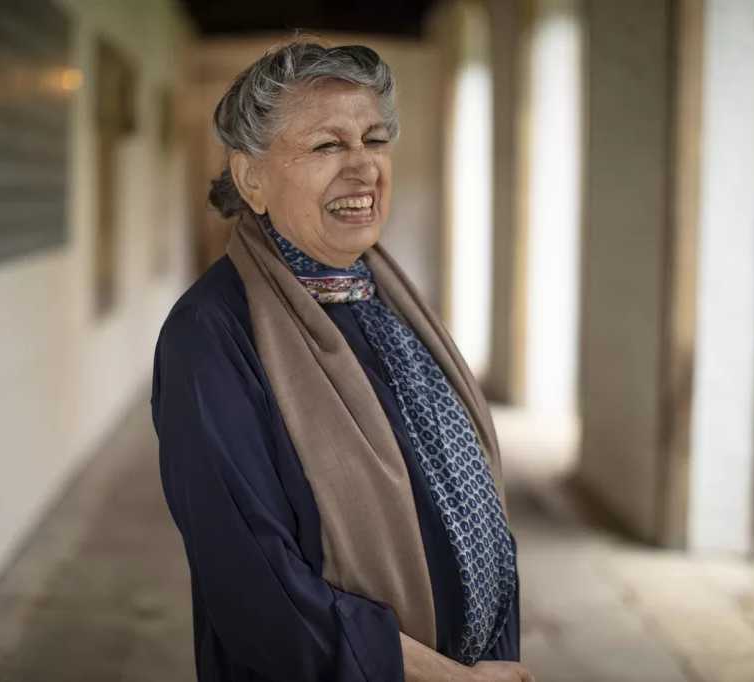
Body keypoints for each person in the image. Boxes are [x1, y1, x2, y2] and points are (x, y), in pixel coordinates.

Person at [151, 40, 532, 682]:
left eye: (375, 140)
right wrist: (446, 678)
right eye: (328, 146)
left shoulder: (388, 297)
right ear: (251, 179)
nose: (363, 168)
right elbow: (254, 587)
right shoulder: (211, 335)